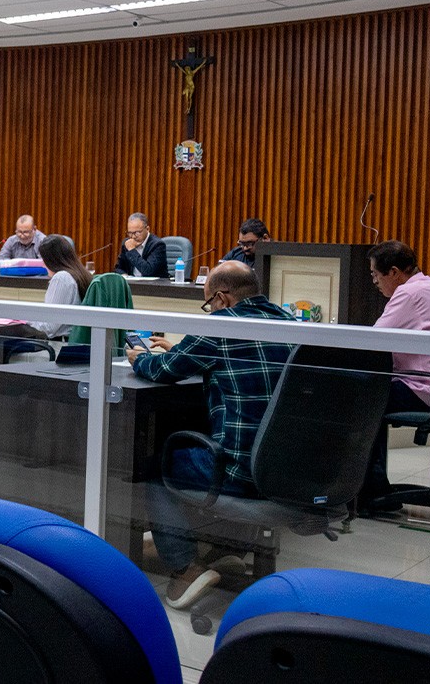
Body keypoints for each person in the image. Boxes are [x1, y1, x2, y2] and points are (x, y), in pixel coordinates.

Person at [126, 261, 294, 609]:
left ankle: (185, 568)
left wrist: (139, 357)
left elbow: (163, 369)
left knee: (155, 467)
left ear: (221, 297)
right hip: (288, 469)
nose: (210, 311)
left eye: (208, 304)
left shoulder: (219, 325)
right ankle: (227, 548)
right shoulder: (291, 324)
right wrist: (181, 349)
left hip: (241, 472)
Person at [359, 241, 430, 511]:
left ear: (394, 272)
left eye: (375, 275)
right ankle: (373, 484)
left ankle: (370, 490)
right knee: (372, 393)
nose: (374, 282)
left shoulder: (409, 293)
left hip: (429, 389)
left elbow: (372, 341)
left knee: (359, 398)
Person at [27, 235, 91, 339]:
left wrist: (23, 318)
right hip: (74, 343)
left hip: (60, 345)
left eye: (43, 259)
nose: (43, 265)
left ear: (51, 260)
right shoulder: (81, 273)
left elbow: (49, 327)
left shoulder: (61, 278)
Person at [114, 212, 168, 278]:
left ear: (147, 229)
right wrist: (124, 275)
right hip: (133, 283)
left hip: (154, 284)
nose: (133, 236)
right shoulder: (127, 243)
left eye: (137, 233)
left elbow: (148, 271)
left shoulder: (157, 245)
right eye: (130, 233)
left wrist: (132, 250)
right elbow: (118, 268)